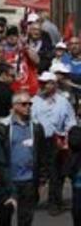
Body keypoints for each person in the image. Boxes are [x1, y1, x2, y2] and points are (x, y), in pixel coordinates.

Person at [0, 91, 45, 226]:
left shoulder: (36, 127)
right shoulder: (3, 127)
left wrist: (41, 179)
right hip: (8, 181)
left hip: (28, 181)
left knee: (26, 219)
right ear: (15, 106)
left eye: (30, 104)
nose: (28, 107)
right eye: (24, 104)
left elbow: (43, 154)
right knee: (4, 217)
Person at [32, 71, 78, 216]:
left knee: (56, 175)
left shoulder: (63, 102)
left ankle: (54, 202)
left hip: (56, 141)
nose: (44, 86)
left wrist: (67, 138)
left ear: (54, 84)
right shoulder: (35, 100)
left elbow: (71, 121)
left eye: (48, 83)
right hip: (38, 141)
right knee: (35, 171)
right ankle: (32, 199)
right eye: (42, 83)